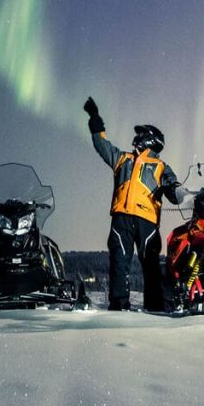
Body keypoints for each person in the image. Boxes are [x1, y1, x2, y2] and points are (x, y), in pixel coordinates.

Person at [84, 96, 182, 311]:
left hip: (147, 222)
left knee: (151, 267)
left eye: (140, 135)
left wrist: (176, 190)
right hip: (121, 218)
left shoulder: (160, 166)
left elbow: (174, 189)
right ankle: (119, 307)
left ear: (151, 139)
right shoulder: (122, 159)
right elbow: (102, 144)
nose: (136, 138)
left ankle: (155, 309)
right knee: (119, 263)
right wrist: (95, 118)